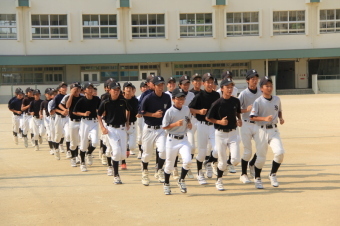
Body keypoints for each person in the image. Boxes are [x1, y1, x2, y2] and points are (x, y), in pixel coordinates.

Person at [206, 78, 242, 191]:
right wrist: (219, 122)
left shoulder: (236, 101)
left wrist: (239, 120)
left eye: (231, 87)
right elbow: (208, 117)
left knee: (235, 160)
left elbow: (238, 113)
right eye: (227, 87)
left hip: (233, 133)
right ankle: (219, 180)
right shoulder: (217, 103)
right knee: (222, 162)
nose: (230, 89)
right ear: (222, 89)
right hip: (220, 134)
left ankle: (225, 166)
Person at [250, 76, 285, 189]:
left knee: (280, 152)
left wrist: (281, 118)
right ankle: (257, 178)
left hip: (274, 130)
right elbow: (252, 117)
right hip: (261, 130)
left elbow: (278, 110)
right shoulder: (258, 101)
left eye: (271, 85)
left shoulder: (277, 99)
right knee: (261, 157)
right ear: (261, 88)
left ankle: (272, 174)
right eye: (267, 86)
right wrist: (264, 119)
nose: (269, 88)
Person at [189, 73, 220, 184]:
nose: (210, 84)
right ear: (203, 83)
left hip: (213, 126)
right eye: (208, 82)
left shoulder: (216, 95)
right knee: (202, 152)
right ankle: (199, 173)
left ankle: (208, 162)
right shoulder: (199, 96)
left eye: (212, 82)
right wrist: (199, 111)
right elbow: (190, 109)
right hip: (202, 125)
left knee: (217, 149)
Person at [140, 76, 171, 186]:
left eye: (162, 85)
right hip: (149, 129)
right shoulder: (148, 98)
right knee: (147, 154)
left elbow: (169, 112)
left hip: (161, 129)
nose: (160, 87)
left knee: (163, 151)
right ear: (154, 86)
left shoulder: (167, 97)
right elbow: (141, 112)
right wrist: (153, 114)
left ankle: (159, 170)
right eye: (158, 85)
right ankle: (145, 172)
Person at [98, 81, 131, 184]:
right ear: (109, 90)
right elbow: (99, 115)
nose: (116, 92)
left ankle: (112, 157)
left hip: (122, 129)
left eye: (118, 90)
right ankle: (116, 175)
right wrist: (102, 127)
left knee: (123, 155)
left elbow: (128, 110)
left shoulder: (123, 101)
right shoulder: (106, 102)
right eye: (114, 90)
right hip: (111, 129)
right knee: (116, 152)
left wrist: (127, 121)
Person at [162, 88, 192, 195]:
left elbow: (188, 119)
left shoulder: (186, 109)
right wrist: (175, 124)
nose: (181, 100)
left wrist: (189, 124)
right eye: (178, 98)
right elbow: (164, 126)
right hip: (172, 140)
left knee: (188, 160)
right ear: (173, 99)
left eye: (182, 98)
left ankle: (181, 180)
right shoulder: (169, 112)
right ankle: (166, 183)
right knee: (169, 165)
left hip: (183, 139)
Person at [238, 69, 261, 183]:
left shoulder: (261, 92)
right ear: (247, 80)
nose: (255, 80)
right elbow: (236, 109)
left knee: (261, 147)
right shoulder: (243, 94)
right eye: (252, 78)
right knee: (247, 151)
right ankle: (243, 174)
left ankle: (252, 164)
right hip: (246, 123)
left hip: (258, 124)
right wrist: (245, 110)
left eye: (256, 78)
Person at [73, 82, 101, 172]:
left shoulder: (96, 99)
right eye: (88, 88)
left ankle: (89, 153)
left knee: (96, 142)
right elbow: (74, 111)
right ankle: (82, 163)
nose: (90, 89)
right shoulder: (81, 100)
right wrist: (83, 114)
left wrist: (99, 111)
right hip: (85, 122)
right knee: (84, 144)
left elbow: (100, 109)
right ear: (84, 90)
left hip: (94, 122)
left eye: (92, 88)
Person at [172, 75, 195, 180]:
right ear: (180, 85)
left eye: (187, 84)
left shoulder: (192, 95)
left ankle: (187, 167)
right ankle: (175, 167)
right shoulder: (175, 94)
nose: (186, 86)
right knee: (176, 148)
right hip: (176, 126)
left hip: (188, 124)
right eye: (184, 84)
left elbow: (191, 110)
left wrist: (190, 121)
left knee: (192, 147)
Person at [64, 82, 83, 167]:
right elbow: (67, 106)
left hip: (82, 121)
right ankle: (73, 158)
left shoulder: (82, 97)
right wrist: (71, 95)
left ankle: (79, 156)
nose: (77, 91)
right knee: (73, 142)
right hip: (72, 122)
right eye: (75, 89)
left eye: (78, 89)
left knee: (82, 140)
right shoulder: (68, 97)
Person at [122, 82, 139, 169]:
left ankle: (128, 149)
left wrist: (139, 113)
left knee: (132, 146)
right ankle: (123, 162)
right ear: (124, 90)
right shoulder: (120, 100)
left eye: (130, 88)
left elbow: (138, 110)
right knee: (122, 144)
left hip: (132, 124)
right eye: (127, 88)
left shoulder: (135, 100)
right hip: (122, 125)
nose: (128, 89)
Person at [136, 81, 149, 159]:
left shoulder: (151, 97)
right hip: (140, 118)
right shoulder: (138, 98)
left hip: (147, 118)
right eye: (143, 87)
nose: (145, 88)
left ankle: (144, 151)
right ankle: (140, 150)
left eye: (146, 87)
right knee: (140, 135)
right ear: (141, 89)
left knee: (146, 134)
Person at [40, 88, 54, 155]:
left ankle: (57, 146)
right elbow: (41, 110)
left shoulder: (54, 101)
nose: (50, 95)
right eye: (48, 93)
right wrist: (41, 114)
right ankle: (51, 149)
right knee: (49, 134)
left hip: (55, 118)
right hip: (47, 119)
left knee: (55, 134)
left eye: (51, 93)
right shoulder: (43, 102)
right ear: (45, 94)